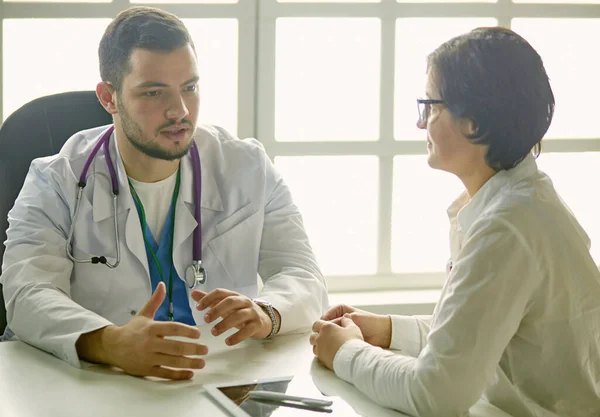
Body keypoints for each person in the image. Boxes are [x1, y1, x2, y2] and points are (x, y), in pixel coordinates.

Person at [1, 6, 328, 381]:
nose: (180, 110)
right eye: (154, 93)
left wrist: (266, 312)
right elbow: (27, 292)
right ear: (109, 98)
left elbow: (303, 275)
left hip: (222, 379)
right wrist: (109, 343)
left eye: (189, 87)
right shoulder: (55, 180)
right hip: (99, 380)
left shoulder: (247, 166)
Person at [310, 27, 600, 417]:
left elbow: (434, 395)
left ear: (474, 122)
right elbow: (476, 335)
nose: (420, 123)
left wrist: (345, 351)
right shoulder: (522, 202)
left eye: (430, 106)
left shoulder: (508, 228)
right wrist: (390, 330)